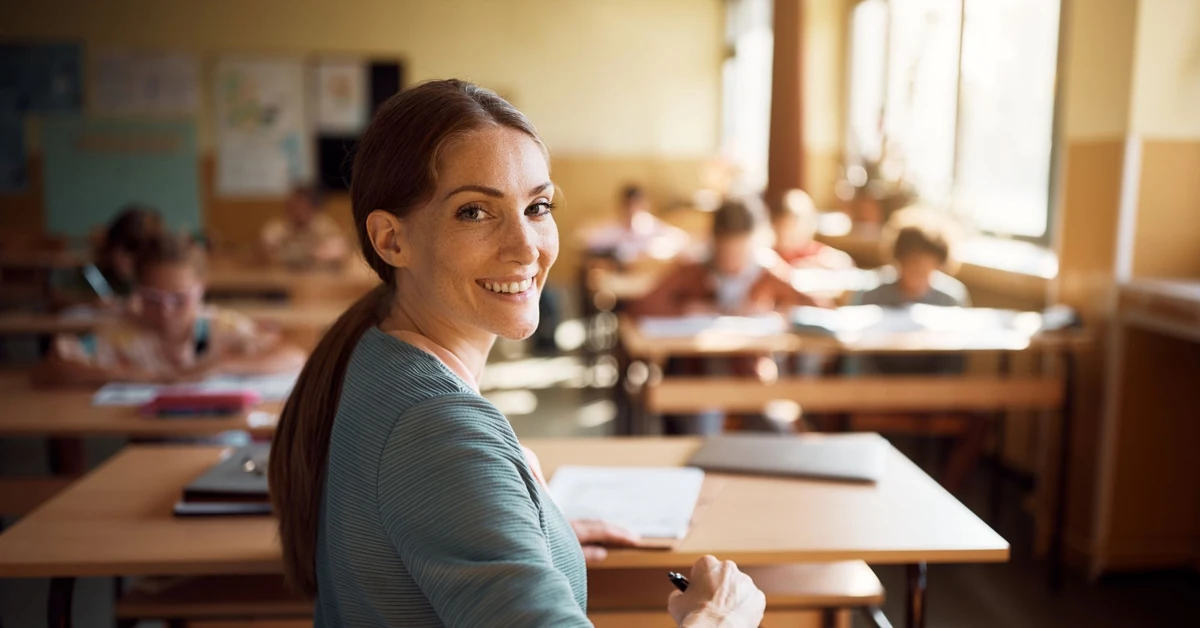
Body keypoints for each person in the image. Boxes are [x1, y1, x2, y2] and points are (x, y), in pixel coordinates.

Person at [268, 80, 765, 627]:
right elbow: (438, 467)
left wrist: (527, 531)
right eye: (475, 212)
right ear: (391, 240)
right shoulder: (438, 429)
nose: (526, 246)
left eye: (538, 206)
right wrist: (719, 619)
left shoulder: (373, 351)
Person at [34, 234, 307, 386]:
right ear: (137, 290)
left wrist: (222, 365)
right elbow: (49, 371)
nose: (166, 311)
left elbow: (294, 357)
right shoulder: (122, 333)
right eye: (153, 298)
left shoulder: (218, 325)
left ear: (201, 288)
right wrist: (130, 375)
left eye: (179, 299)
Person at [631, 196, 820, 317]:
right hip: (698, 368)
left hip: (749, 372)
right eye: (726, 251)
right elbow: (643, 307)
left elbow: (816, 306)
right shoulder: (695, 269)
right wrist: (684, 310)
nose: (732, 260)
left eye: (739, 252)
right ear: (714, 243)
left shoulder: (765, 270)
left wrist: (777, 313)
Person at [582, 183, 689, 265]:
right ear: (621, 205)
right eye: (629, 205)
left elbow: (679, 239)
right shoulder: (612, 228)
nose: (632, 209)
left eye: (636, 204)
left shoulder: (650, 225)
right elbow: (589, 241)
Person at [260, 184, 350, 268]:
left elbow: (340, 250)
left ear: (312, 207)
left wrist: (314, 253)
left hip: (316, 277)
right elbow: (266, 248)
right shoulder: (278, 228)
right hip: (283, 277)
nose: (298, 210)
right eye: (294, 205)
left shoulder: (324, 226)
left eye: (303, 205)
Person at [770, 189, 853, 270]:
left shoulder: (813, 250)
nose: (798, 232)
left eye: (804, 223)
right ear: (776, 225)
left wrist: (827, 263)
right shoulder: (771, 254)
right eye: (788, 227)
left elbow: (844, 261)